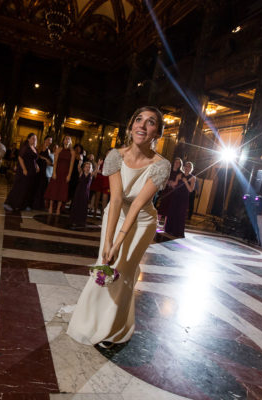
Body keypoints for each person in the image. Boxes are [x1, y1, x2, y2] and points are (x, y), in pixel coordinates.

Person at [67, 106, 171, 347]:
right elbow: (115, 200)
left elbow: (137, 205)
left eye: (151, 122)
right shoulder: (115, 155)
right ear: (131, 126)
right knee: (105, 265)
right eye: (138, 119)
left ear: (157, 133)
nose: (142, 125)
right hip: (115, 215)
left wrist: (119, 242)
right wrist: (108, 242)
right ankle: (91, 320)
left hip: (142, 221)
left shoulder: (161, 165)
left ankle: (113, 329)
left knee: (122, 271)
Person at [157, 157, 193, 237]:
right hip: (174, 195)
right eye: (186, 166)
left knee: (179, 214)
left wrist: (185, 182)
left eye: (189, 167)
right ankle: (167, 228)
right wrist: (169, 183)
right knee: (169, 210)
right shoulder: (179, 174)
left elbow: (190, 190)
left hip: (182, 197)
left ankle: (176, 231)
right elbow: (175, 183)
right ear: (184, 167)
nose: (187, 168)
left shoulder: (192, 177)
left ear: (191, 168)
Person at [4, 133, 39, 211]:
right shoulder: (25, 147)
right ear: (28, 139)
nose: (34, 140)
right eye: (33, 138)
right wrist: (24, 169)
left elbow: (33, 159)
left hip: (31, 172)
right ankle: (9, 203)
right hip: (24, 170)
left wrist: (37, 166)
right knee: (19, 187)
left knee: (27, 189)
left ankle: (22, 205)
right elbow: (20, 158)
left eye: (35, 138)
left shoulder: (34, 148)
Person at [44, 135, 75, 214]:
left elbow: (71, 165)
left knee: (62, 191)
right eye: (66, 139)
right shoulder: (59, 149)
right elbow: (55, 162)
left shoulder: (72, 152)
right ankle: (51, 207)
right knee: (53, 190)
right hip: (57, 172)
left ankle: (58, 209)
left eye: (69, 139)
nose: (67, 140)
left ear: (70, 142)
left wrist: (69, 175)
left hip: (65, 174)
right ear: (63, 141)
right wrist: (54, 172)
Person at [69, 161, 96, 228]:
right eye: (86, 167)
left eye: (89, 167)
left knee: (83, 205)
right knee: (77, 204)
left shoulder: (91, 175)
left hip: (85, 193)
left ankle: (81, 221)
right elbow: (78, 167)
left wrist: (98, 165)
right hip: (78, 192)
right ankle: (74, 220)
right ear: (83, 168)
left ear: (91, 169)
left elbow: (95, 171)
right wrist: (80, 162)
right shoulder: (81, 173)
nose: (87, 168)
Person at [33, 136, 53, 210]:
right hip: (37, 169)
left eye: (51, 141)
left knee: (41, 187)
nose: (50, 142)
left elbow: (49, 162)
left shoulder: (49, 150)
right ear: (45, 140)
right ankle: (32, 204)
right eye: (48, 140)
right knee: (35, 186)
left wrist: (46, 160)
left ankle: (38, 205)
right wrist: (44, 159)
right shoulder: (39, 147)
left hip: (44, 170)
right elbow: (36, 156)